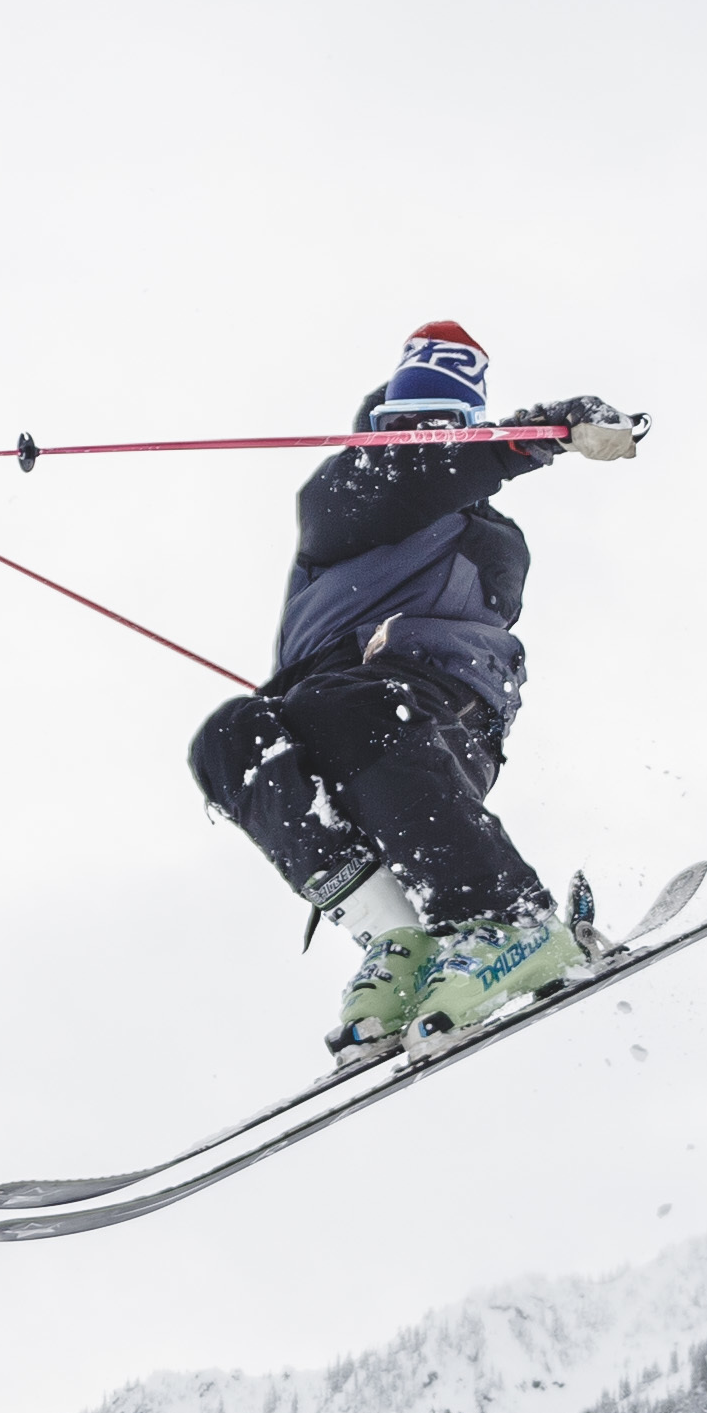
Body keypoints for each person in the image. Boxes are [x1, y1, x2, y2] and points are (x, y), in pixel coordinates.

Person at [185, 321, 638, 1061]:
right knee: (229, 738)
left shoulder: (487, 532)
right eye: (402, 425)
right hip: (347, 721)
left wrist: (532, 437)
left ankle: (507, 918)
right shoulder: (342, 491)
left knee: (340, 703)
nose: (419, 441)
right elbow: (405, 480)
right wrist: (530, 435)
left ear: (466, 429)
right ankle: (401, 934)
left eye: (442, 427)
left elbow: (430, 483)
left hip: (433, 712)